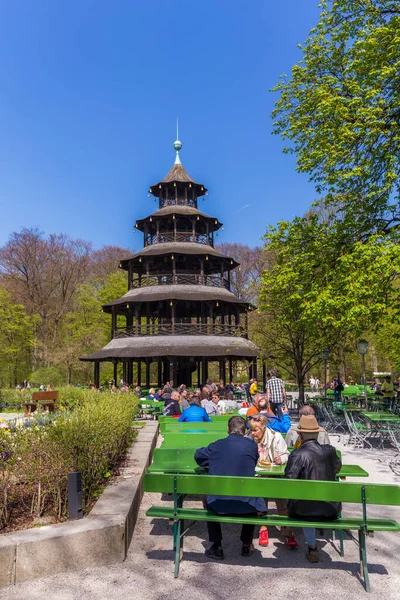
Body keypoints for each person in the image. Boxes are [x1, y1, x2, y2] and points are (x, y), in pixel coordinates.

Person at [194, 416, 266, 559]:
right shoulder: (251, 446)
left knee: (208, 494)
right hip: (246, 506)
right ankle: (246, 544)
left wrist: (214, 462)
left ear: (228, 429)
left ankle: (216, 545)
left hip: (219, 505)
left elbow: (198, 455)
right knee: (253, 494)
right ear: (245, 431)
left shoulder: (216, 445)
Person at [284, 414, 342, 563]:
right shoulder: (330, 450)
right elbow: (337, 469)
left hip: (303, 511)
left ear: (300, 434)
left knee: (305, 502)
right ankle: (313, 544)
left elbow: (288, 480)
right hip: (331, 509)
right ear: (317, 433)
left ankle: (312, 547)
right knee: (312, 500)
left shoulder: (297, 454)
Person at [248, 414, 297, 549]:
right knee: (261, 503)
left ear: (263, 429)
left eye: (255, 430)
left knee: (282, 502)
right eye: (251, 430)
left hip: (276, 474)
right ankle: (263, 528)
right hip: (259, 474)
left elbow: (286, 454)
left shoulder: (276, 437)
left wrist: (281, 459)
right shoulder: (249, 438)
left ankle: (287, 530)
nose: (253, 433)